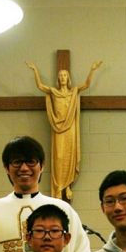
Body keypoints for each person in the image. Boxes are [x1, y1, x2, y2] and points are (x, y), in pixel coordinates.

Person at [0, 135, 91, 252]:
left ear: (42, 166)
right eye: (17, 162)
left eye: (31, 161)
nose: (24, 168)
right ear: (6, 168)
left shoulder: (63, 209)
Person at [26, 61, 102, 200]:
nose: (62, 78)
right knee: (59, 157)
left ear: (68, 78)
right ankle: (58, 187)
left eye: (65, 75)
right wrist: (35, 70)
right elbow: (40, 86)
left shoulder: (74, 92)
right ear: (58, 79)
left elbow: (86, 85)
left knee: (70, 156)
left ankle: (67, 185)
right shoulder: (54, 92)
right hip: (58, 128)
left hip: (70, 128)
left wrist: (92, 70)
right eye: (60, 76)